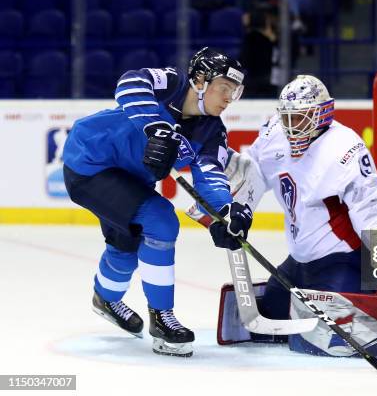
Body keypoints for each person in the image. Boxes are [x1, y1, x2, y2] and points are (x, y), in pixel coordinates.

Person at [190, 75, 377, 359]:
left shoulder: (344, 148)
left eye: (300, 119)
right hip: (298, 262)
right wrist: (229, 210)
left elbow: (371, 203)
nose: (291, 127)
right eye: (287, 118)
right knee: (267, 324)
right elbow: (254, 173)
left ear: (322, 114)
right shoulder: (275, 132)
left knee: (337, 339)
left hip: (344, 261)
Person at [62, 47, 254, 357]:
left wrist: (225, 211)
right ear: (201, 80)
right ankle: (162, 319)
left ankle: (105, 298)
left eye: (236, 91)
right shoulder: (174, 83)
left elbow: (209, 174)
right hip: (89, 162)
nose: (230, 97)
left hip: (131, 180)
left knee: (125, 246)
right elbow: (130, 83)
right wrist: (157, 127)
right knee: (160, 221)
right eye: (225, 88)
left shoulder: (211, 132)